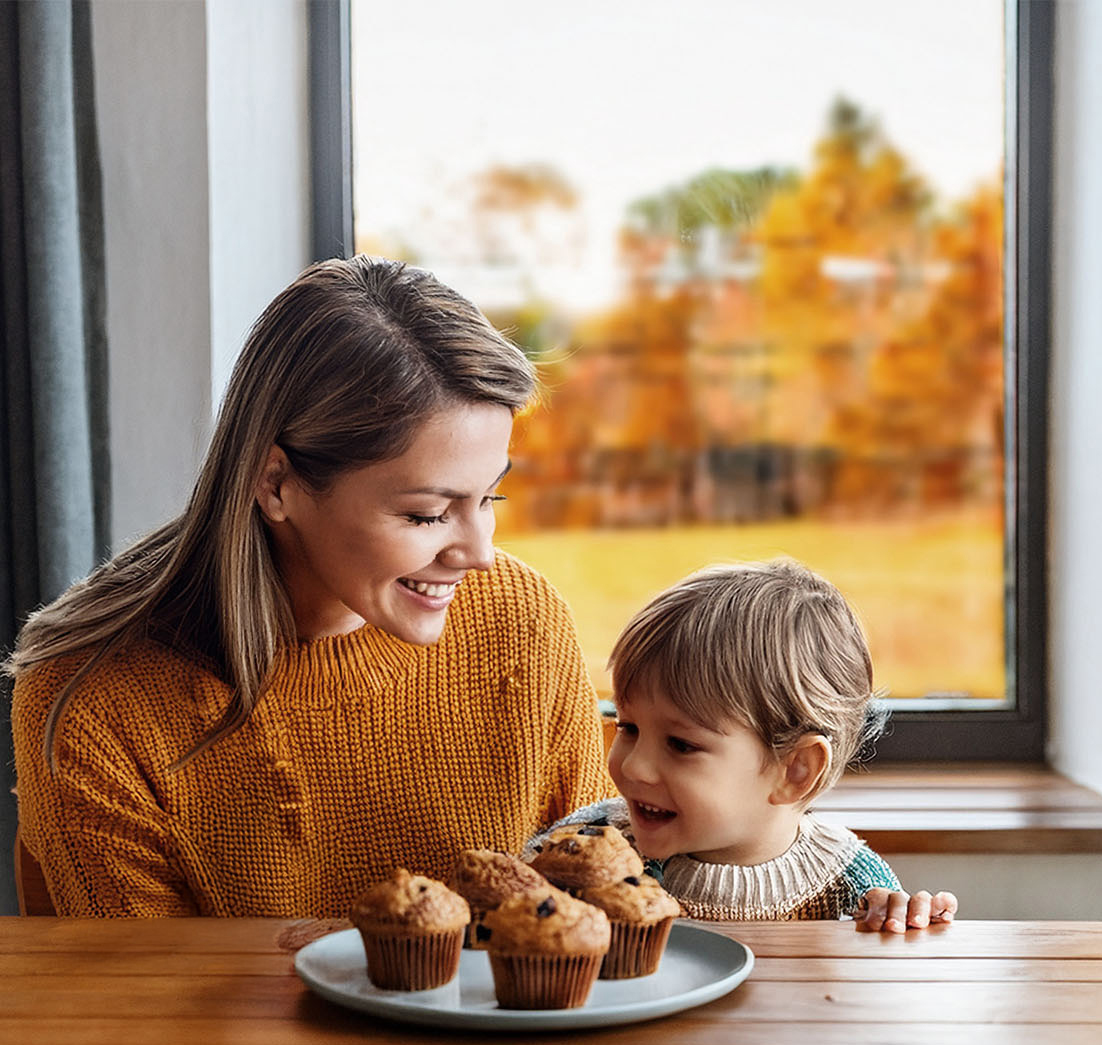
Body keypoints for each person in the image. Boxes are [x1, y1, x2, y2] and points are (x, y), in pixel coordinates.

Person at [7, 256, 614, 917]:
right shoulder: (92, 702)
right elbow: (148, 1004)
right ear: (276, 484)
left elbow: (593, 920)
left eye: (488, 496)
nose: (479, 554)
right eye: (426, 513)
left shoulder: (522, 620)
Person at [535, 560, 958, 931]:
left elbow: (883, 984)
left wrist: (900, 918)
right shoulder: (584, 848)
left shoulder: (849, 885)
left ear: (796, 771)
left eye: (680, 745)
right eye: (628, 728)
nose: (634, 768)